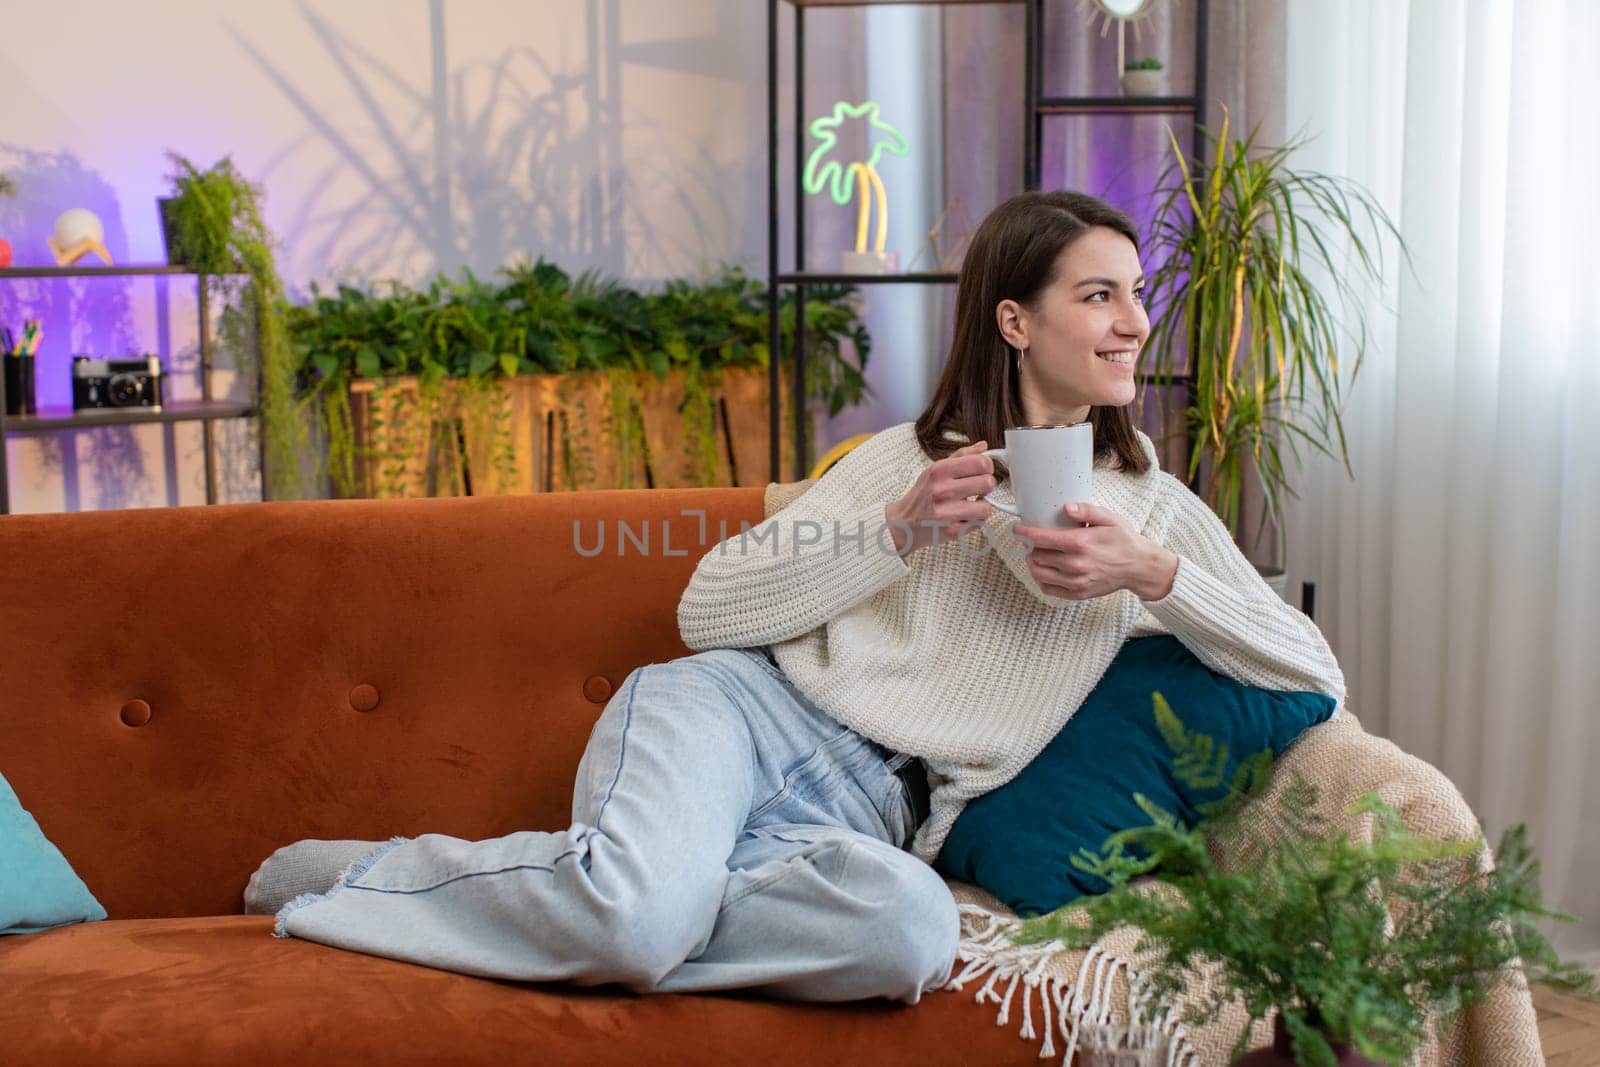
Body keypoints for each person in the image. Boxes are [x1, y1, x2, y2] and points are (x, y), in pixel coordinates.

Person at [249, 189, 1344, 1005]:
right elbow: (706, 611)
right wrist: (894, 534)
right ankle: (364, 881)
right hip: (740, 716)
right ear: (1015, 321)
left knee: (906, 941)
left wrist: (1154, 577)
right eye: (1098, 294)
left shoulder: (1150, 506)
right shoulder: (905, 459)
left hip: (877, 816)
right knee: (633, 927)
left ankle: (623, 897)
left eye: (1136, 294)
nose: (1134, 321)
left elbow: (1313, 673)